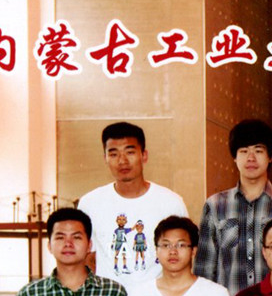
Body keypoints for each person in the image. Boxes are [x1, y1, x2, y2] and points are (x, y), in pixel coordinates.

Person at [196, 118, 272, 295]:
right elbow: (204, 269)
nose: (251, 158)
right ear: (234, 157)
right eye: (244, 151)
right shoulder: (215, 206)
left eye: (258, 151)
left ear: (270, 157)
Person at [76, 121, 190, 287]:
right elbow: (86, 258)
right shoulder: (90, 203)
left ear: (144, 155)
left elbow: (184, 258)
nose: (122, 161)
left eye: (130, 152)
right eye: (113, 154)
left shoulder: (171, 203)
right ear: (105, 158)